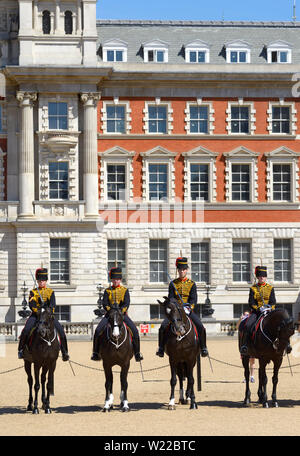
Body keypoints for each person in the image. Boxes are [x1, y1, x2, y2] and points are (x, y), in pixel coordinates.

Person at [156, 257, 208, 358]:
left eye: (183, 269)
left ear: (186, 270)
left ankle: (203, 348)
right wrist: (175, 307)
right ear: (178, 270)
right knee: (163, 327)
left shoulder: (192, 284)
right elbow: (171, 299)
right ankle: (161, 348)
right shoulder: (173, 284)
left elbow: (193, 299)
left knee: (201, 326)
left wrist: (189, 307)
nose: (181, 271)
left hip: (187, 310)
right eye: (180, 270)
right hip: (175, 311)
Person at [91, 267, 143, 362]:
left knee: (135, 331)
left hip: (121, 315)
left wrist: (120, 311)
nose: (116, 281)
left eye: (118, 279)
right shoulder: (107, 291)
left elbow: (127, 303)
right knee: (98, 330)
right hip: (110, 315)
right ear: (112, 280)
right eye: (114, 279)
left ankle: (137, 353)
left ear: (120, 280)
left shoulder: (124, 290)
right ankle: (96, 353)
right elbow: (105, 303)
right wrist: (110, 310)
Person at [18, 268, 70, 361]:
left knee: (61, 332)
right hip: (36, 315)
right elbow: (32, 305)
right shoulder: (33, 292)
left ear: (46, 281)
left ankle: (64, 352)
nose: (41, 282)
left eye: (43, 280)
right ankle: (21, 350)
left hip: (48, 316)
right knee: (26, 330)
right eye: (39, 280)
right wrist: (39, 310)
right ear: (37, 281)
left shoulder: (50, 292)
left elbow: (53, 305)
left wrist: (46, 311)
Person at [240, 265, 276, 355]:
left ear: (266, 277)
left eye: (263, 276)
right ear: (257, 277)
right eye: (260, 277)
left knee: (279, 325)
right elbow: (251, 303)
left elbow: (273, 302)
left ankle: (281, 345)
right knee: (248, 325)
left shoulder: (270, 288)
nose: (261, 278)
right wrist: (259, 309)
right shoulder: (253, 288)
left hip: (269, 312)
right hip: (257, 312)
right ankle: (245, 345)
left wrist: (269, 308)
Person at [237, 311, 255, 383]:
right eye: (245, 315)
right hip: (243, 344)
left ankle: (252, 376)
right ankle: (246, 377)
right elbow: (237, 327)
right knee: (245, 362)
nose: (246, 316)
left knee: (252, 361)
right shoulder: (242, 324)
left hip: (250, 345)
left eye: (247, 315)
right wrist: (240, 320)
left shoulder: (251, 322)